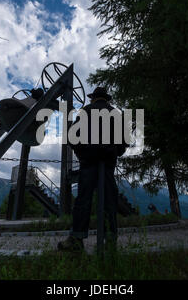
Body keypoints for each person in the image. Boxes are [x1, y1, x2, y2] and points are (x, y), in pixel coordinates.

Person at [57, 87, 128, 252]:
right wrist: (112, 151)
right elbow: (124, 144)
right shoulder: (115, 114)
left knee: (83, 200)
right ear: (107, 99)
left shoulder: (86, 111)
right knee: (110, 201)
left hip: (88, 163)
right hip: (108, 165)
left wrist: (83, 152)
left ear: (93, 98)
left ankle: (76, 239)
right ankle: (110, 241)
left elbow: (72, 137)